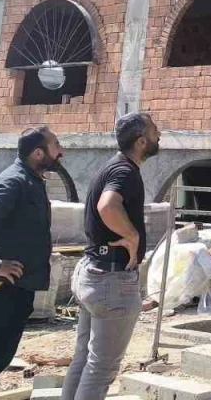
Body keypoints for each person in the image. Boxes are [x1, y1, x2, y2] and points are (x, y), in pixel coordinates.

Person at [61, 113, 158, 400]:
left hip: (93, 272)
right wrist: (133, 236)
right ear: (141, 141)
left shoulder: (112, 166)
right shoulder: (125, 172)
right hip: (111, 281)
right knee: (101, 369)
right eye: (155, 131)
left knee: (84, 360)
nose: (160, 135)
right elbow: (107, 206)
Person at [0, 127, 61, 400]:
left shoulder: (31, 180)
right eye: (55, 145)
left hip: (15, 286)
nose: (60, 151)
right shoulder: (15, 180)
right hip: (0, 286)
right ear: (38, 153)